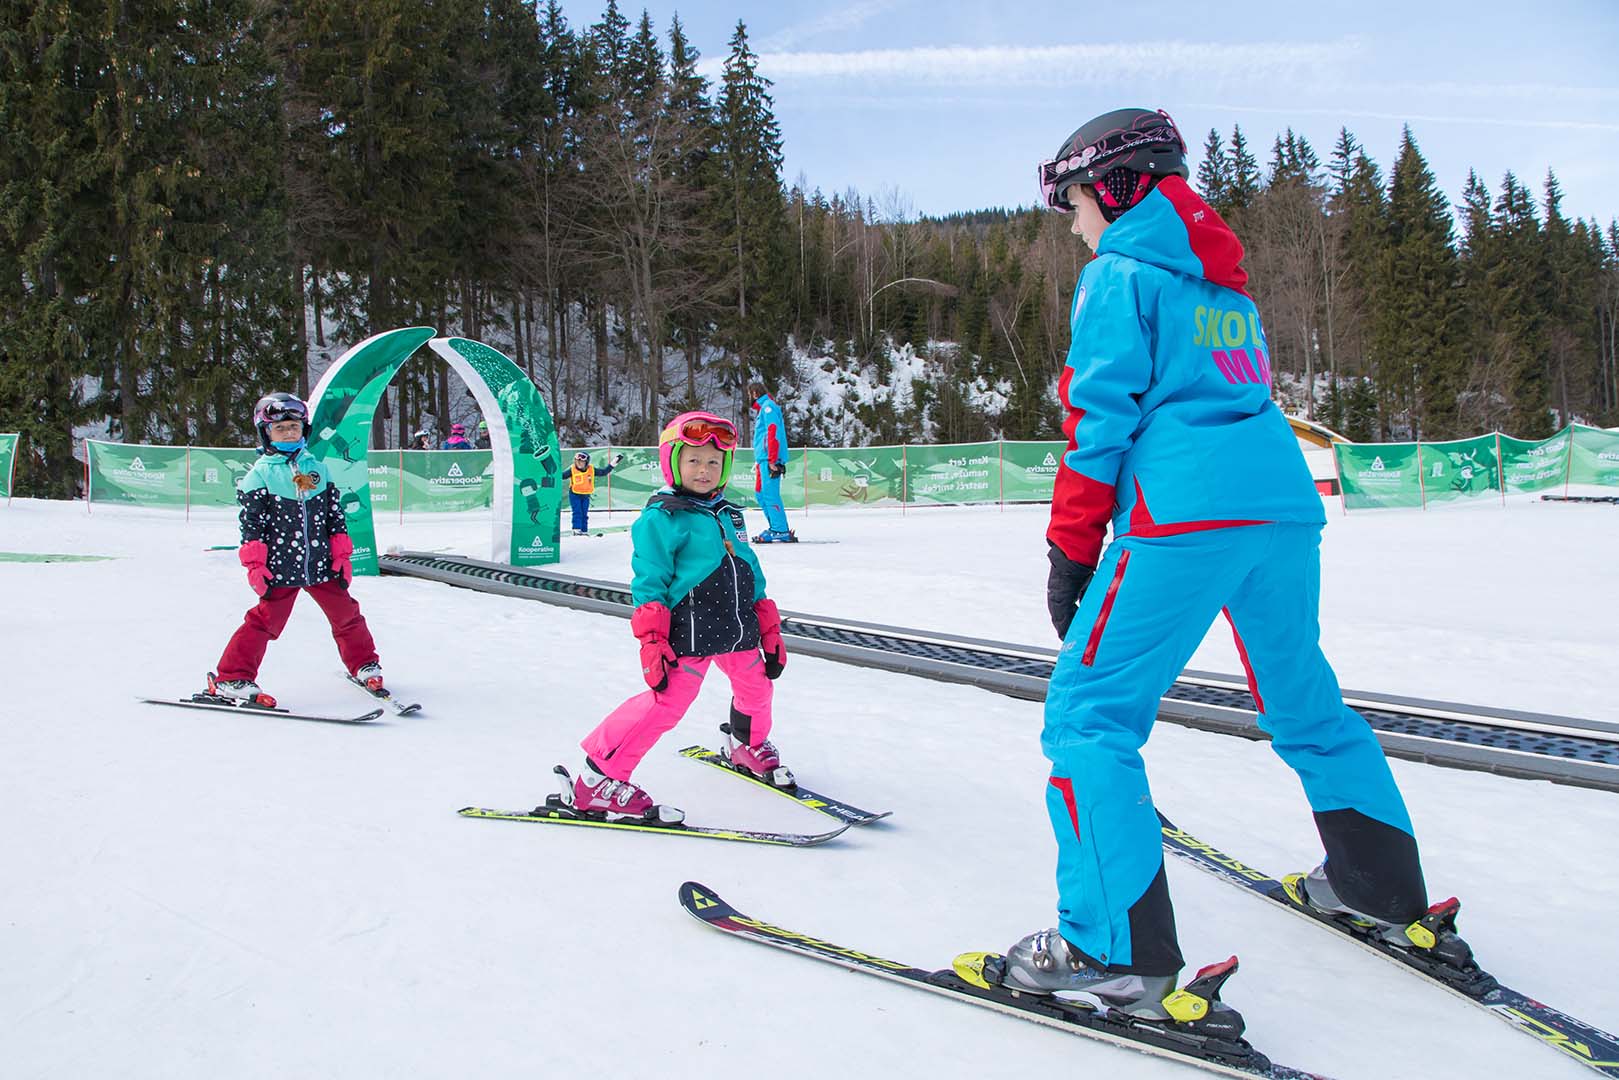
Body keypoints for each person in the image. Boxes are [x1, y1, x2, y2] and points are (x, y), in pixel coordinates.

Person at [998, 109, 1472, 1026]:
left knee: (1089, 715)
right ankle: (1378, 887)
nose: (1070, 223)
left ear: (1115, 186)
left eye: (1072, 202)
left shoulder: (1121, 275)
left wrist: (1069, 549)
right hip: (1282, 510)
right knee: (1305, 703)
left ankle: (1109, 950)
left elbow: (1098, 420)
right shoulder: (1226, 290)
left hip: (1178, 515)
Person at [565, 411, 790, 822]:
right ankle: (598, 778)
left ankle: (746, 744)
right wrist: (652, 641)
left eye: (713, 463)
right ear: (673, 463)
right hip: (689, 631)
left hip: (738, 626)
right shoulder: (661, 518)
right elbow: (649, 582)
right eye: (693, 461)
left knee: (756, 687)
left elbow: (751, 570)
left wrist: (769, 626)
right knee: (666, 704)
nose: (704, 471)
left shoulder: (729, 514)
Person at [209, 393, 384, 704]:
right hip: (280, 566)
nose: (289, 433)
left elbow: (334, 515)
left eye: (294, 427)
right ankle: (232, 677)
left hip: (321, 563)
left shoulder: (319, 470)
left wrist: (341, 553)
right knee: (264, 622)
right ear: (266, 433)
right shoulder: (260, 475)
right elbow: (251, 527)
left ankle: (364, 664)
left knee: (347, 615)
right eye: (281, 429)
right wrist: (256, 564)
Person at [748, 382, 795, 542]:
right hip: (763, 458)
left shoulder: (768, 407)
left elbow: (772, 431)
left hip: (769, 458)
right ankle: (775, 526)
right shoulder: (764, 409)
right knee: (760, 494)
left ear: (754, 393)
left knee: (770, 493)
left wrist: (772, 459)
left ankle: (780, 529)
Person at [561, 450, 624, 535]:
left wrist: (613, 463)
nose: (579, 463)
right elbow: (562, 476)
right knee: (577, 512)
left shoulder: (591, 469)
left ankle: (584, 531)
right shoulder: (572, 470)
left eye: (581, 462)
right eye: (577, 461)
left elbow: (603, 472)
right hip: (575, 494)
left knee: (584, 513)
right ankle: (576, 530)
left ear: (586, 462)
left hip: (585, 495)